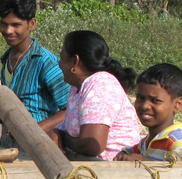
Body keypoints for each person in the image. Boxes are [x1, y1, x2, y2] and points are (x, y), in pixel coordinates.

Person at [52, 30, 141, 161]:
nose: (59, 64)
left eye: (62, 58)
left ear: (75, 61)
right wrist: (55, 133)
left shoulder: (100, 84)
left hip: (113, 168)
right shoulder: (77, 87)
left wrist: (63, 138)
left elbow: (92, 145)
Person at [0, 0, 69, 131]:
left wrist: (35, 129)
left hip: (39, 145)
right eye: (4, 24)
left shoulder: (46, 63)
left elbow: (70, 110)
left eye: (16, 25)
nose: (8, 30)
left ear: (32, 24)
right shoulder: (7, 60)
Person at [116, 63, 182, 162]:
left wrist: (145, 163)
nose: (144, 106)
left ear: (177, 105)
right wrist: (123, 156)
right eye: (140, 98)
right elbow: (127, 152)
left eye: (155, 100)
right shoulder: (146, 143)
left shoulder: (176, 142)